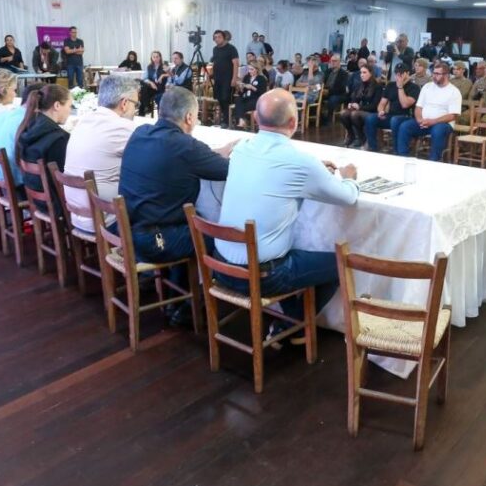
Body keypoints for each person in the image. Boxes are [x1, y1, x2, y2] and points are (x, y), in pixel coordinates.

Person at [215, 89, 359, 330]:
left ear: (256, 119)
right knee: (340, 263)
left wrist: (313, 170)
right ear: (294, 122)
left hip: (219, 265)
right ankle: (294, 322)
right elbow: (348, 197)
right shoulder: (300, 161)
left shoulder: (240, 148)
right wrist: (349, 177)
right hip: (262, 276)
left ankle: (288, 321)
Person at [120, 87, 235, 325]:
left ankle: (178, 298)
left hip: (128, 231)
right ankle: (189, 304)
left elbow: (176, 157)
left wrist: (214, 154)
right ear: (190, 118)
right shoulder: (186, 147)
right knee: (220, 238)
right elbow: (230, 171)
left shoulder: (141, 132)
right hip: (156, 241)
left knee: (188, 226)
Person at [63, 75, 138, 232]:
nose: (135, 110)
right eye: (135, 105)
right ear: (124, 103)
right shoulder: (121, 126)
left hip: (77, 215)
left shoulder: (83, 121)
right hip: (106, 220)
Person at [15, 84, 72, 205]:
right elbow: (65, 178)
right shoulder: (58, 138)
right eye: (69, 106)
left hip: (35, 198)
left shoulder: (27, 128)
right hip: (56, 204)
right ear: (57, 105)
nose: (70, 111)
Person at [395, 63, 461, 162]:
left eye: (438, 74)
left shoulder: (454, 91)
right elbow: (418, 107)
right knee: (405, 126)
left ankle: (434, 161)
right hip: (424, 122)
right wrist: (420, 119)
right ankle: (403, 158)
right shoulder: (427, 87)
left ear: (446, 75)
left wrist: (433, 121)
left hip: (443, 124)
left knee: (437, 130)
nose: (434, 76)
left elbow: (452, 115)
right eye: (433, 73)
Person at [365, 63, 419, 152]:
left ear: (408, 73)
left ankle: (396, 150)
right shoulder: (390, 85)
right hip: (391, 116)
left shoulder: (414, 88)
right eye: (397, 74)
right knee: (370, 118)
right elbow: (382, 103)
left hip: (406, 117)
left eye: (401, 73)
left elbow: (405, 104)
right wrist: (381, 111)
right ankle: (373, 148)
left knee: (395, 120)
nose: (399, 76)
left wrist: (400, 87)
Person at [338, 65, 382, 148]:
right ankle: (351, 135)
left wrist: (359, 107)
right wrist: (351, 104)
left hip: (372, 112)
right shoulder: (359, 85)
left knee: (354, 114)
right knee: (343, 113)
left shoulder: (377, 87)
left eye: (364, 72)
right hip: (359, 110)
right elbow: (354, 99)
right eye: (361, 72)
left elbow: (374, 106)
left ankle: (362, 138)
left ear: (371, 73)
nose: (362, 75)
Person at [211, 29, 239, 126]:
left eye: (219, 37)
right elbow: (215, 63)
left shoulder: (231, 48)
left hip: (228, 79)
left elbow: (236, 64)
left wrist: (234, 78)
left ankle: (226, 121)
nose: (217, 39)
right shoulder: (215, 49)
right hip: (217, 78)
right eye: (215, 37)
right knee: (219, 98)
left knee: (225, 99)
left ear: (224, 37)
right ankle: (223, 118)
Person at [233, 63, 267, 129]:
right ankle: (242, 121)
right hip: (246, 98)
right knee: (238, 100)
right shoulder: (247, 77)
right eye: (249, 69)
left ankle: (241, 121)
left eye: (252, 69)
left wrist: (252, 87)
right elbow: (241, 93)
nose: (249, 71)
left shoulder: (261, 79)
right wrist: (241, 88)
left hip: (256, 99)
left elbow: (262, 93)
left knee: (240, 106)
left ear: (257, 70)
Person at [321, 56, 349, 123]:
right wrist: (322, 89)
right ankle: (320, 117)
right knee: (316, 97)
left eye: (335, 61)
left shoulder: (344, 73)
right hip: (326, 91)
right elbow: (322, 82)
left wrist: (329, 91)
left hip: (339, 94)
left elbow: (342, 88)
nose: (332, 62)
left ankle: (328, 119)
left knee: (332, 99)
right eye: (331, 61)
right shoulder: (327, 71)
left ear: (339, 62)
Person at [140, 50, 165, 116]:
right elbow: (144, 78)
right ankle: (147, 107)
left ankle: (146, 108)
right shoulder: (149, 67)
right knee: (143, 85)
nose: (155, 59)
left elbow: (171, 75)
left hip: (161, 88)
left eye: (157, 57)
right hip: (152, 88)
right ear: (151, 58)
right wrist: (151, 83)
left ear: (160, 57)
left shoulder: (164, 66)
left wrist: (162, 76)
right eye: (154, 57)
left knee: (143, 95)